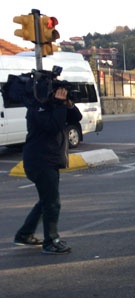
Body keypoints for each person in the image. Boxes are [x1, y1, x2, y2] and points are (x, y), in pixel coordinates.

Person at [14, 86, 82, 255]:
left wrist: (68, 104)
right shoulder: (37, 108)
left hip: (48, 160)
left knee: (46, 200)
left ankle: (24, 235)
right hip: (40, 161)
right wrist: (59, 105)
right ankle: (51, 241)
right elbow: (53, 126)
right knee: (52, 203)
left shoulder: (52, 106)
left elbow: (76, 117)